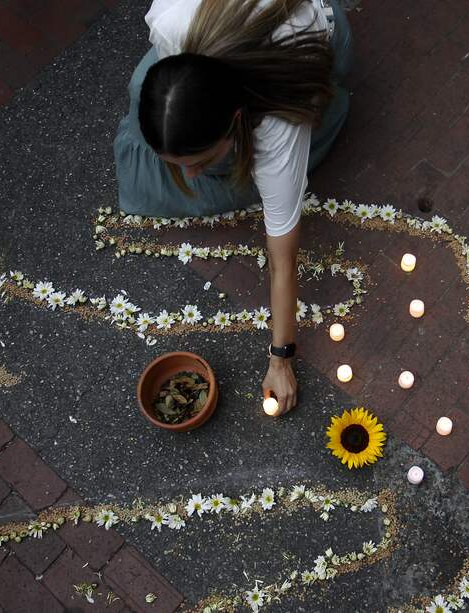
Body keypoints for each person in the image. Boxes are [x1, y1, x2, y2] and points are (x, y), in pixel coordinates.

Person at [114, 0, 353, 415]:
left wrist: (282, 357)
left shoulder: (277, 121)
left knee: (236, 186)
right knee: (139, 88)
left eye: (200, 162)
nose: (189, 176)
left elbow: (283, 258)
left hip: (315, 54)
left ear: (236, 120)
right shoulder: (171, 25)